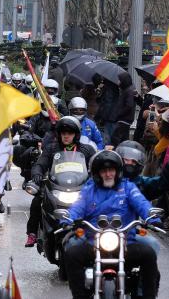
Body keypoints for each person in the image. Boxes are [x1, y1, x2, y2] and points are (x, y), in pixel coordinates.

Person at [62, 150, 161, 299]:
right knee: (71, 254)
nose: (108, 174)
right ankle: (80, 295)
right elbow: (77, 207)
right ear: (97, 173)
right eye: (104, 171)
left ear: (117, 171)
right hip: (93, 241)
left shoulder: (128, 187)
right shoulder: (89, 190)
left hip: (126, 241)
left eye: (111, 170)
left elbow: (141, 203)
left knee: (149, 255)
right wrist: (67, 218)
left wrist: (151, 216)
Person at [26, 116, 97, 247]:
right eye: (63, 133)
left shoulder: (87, 150)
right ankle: (32, 234)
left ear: (76, 134)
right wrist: (37, 174)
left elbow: (97, 166)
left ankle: (99, 232)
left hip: (81, 188)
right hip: (56, 186)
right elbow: (40, 164)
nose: (66, 136)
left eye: (69, 133)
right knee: (37, 200)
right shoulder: (51, 148)